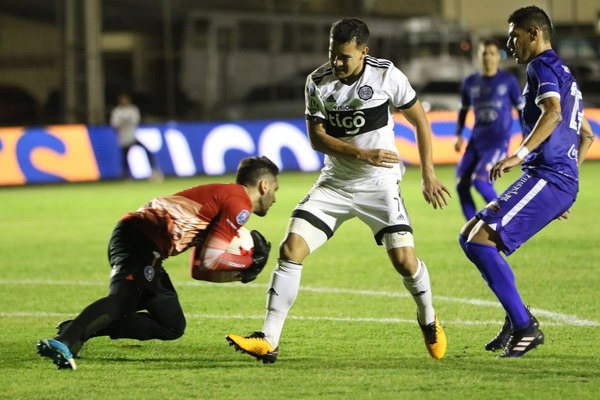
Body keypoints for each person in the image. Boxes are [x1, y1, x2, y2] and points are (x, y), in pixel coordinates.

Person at [226, 18, 451, 364]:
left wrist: (428, 175)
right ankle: (268, 339)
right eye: (333, 54)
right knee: (291, 248)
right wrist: (362, 153)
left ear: (364, 51)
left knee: (405, 262)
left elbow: (420, 119)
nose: (337, 63)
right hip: (336, 183)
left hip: (380, 184)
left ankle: (429, 318)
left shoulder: (387, 75)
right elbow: (317, 138)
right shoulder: (317, 81)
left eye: (345, 56)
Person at [36, 156, 280, 369]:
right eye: (275, 190)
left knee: (171, 324)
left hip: (149, 246)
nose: (275, 198)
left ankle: (77, 329)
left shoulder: (225, 198)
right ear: (264, 185)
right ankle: (65, 342)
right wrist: (246, 261)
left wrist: (241, 272)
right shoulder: (239, 204)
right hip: (139, 238)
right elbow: (209, 260)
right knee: (122, 299)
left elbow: (199, 269)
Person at [459, 5, 595, 358]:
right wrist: (569, 184)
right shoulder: (565, 72)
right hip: (554, 179)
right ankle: (514, 318)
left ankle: (524, 325)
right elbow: (588, 135)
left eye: (513, 35)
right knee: (468, 236)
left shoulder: (541, 66)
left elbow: (553, 113)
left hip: (548, 175)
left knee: (479, 243)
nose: (509, 43)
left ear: (534, 34)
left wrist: (518, 155)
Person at [455, 39, 524, 220]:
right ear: (479, 56)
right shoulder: (470, 82)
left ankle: (505, 219)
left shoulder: (508, 80)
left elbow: (520, 110)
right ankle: (473, 226)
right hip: (476, 140)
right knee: (461, 184)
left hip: (498, 140)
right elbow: (463, 110)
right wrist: (459, 134)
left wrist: (526, 138)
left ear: (498, 57)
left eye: (492, 53)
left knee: (480, 180)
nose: (488, 57)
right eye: (484, 53)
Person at [110, 92, 162, 181]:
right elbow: (114, 124)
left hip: (132, 137)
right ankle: (125, 176)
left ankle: (154, 170)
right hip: (124, 139)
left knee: (147, 151)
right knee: (125, 158)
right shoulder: (117, 111)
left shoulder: (133, 109)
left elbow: (136, 121)